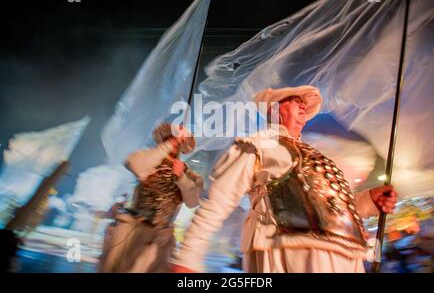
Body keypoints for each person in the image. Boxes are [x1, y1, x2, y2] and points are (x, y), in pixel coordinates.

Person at [171, 85, 397, 273]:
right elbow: (218, 202)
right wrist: (187, 258)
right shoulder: (256, 145)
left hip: (346, 257)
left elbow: (326, 206)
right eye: (295, 99)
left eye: (304, 104)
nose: (303, 105)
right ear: (273, 108)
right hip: (292, 252)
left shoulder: (315, 153)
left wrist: (368, 201)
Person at [98, 123, 203, 272]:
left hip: (160, 239)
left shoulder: (190, 175)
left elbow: (192, 201)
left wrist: (181, 178)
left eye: (178, 141)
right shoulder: (145, 158)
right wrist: (170, 143)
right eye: (170, 139)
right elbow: (137, 166)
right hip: (130, 231)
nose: (174, 144)